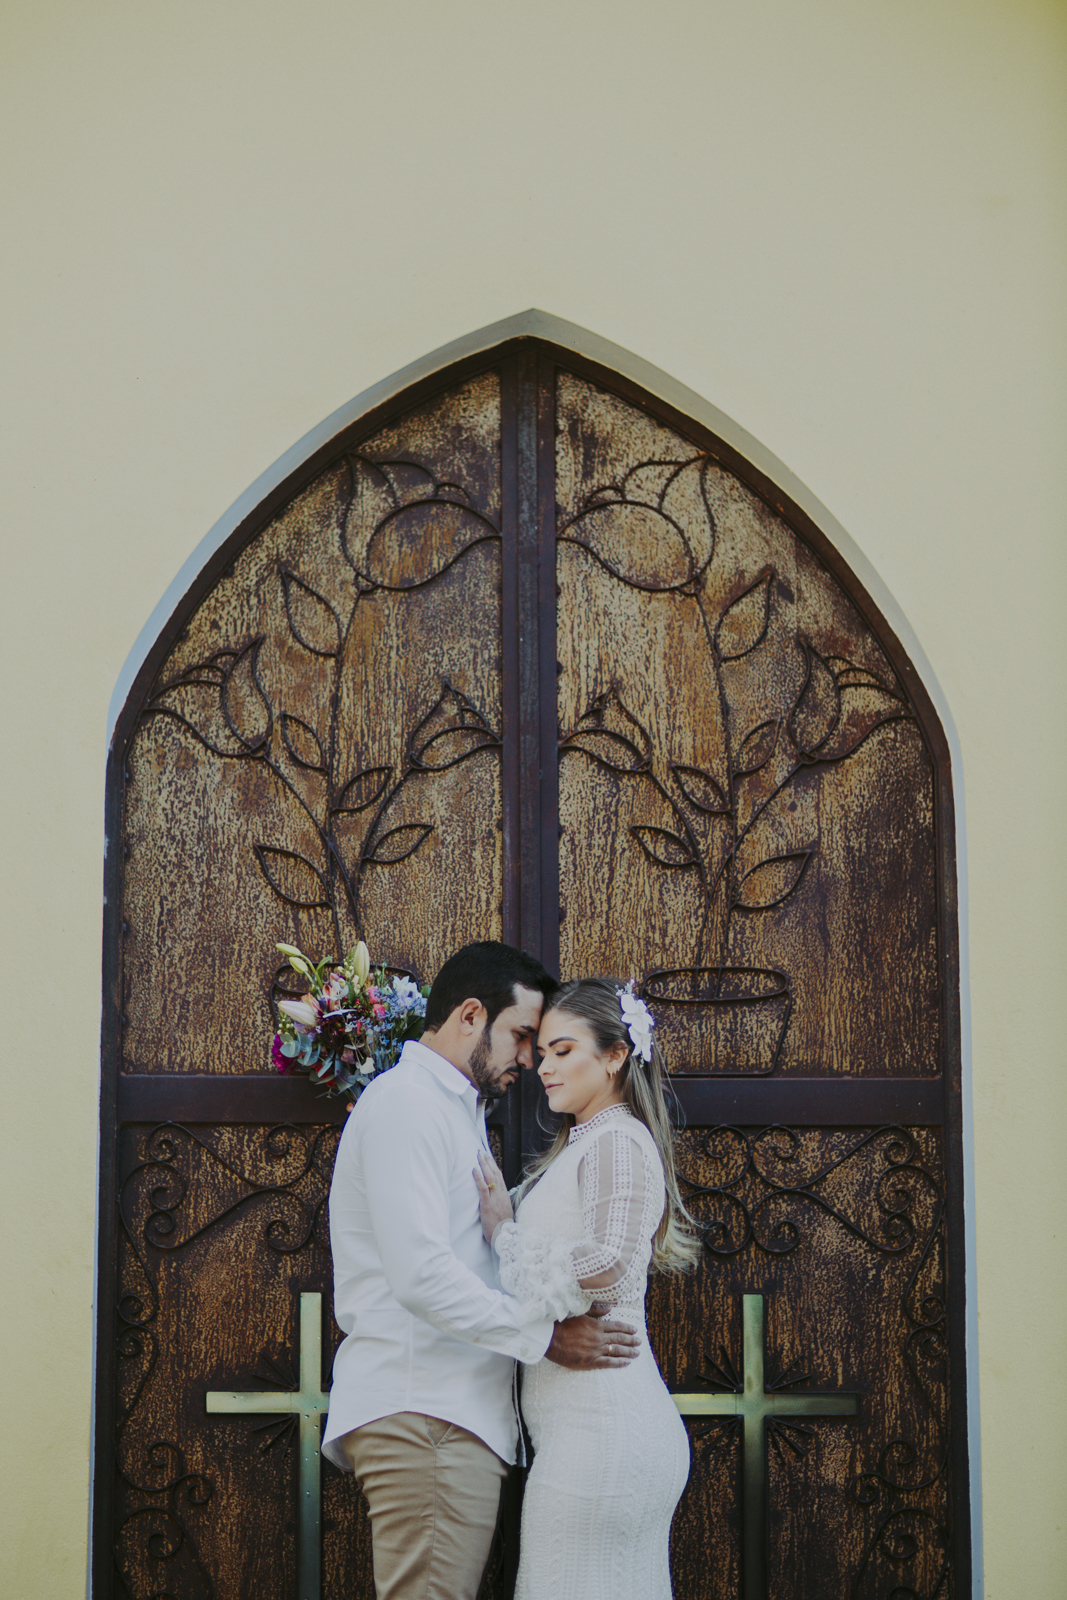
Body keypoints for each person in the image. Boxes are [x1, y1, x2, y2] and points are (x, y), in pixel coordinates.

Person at [322, 942, 642, 1600]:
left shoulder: (449, 1111)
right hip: (426, 1415)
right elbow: (420, 1275)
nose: (529, 1060)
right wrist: (545, 1339)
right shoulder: (408, 1105)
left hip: (446, 1418)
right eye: (522, 1037)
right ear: (471, 1016)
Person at [474, 976, 699, 1600]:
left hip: (606, 1437)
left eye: (563, 1050)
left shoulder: (620, 1141)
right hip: (583, 1437)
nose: (544, 1067)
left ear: (616, 1055)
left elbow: (607, 1268)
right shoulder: (584, 1143)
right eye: (541, 1052)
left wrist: (504, 1237)